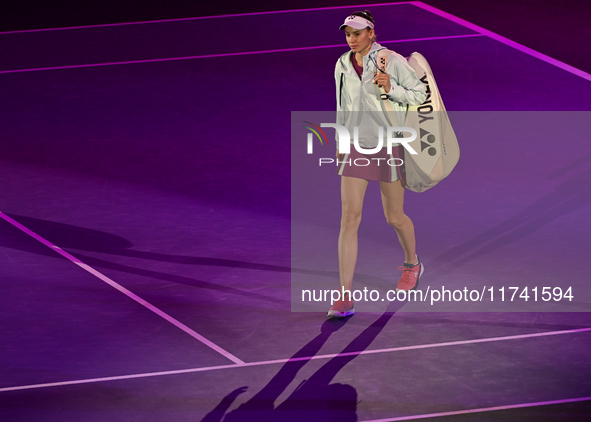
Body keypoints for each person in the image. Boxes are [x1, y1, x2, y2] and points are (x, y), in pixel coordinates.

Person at [327, 10, 427, 318]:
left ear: (372, 32)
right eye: (348, 34)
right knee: (349, 217)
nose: (352, 39)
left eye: (357, 33)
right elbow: (342, 104)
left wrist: (391, 88)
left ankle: (413, 264)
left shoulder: (391, 60)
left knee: (394, 217)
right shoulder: (342, 64)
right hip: (356, 144)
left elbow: (420, 93)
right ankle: (345, 296)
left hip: (388, 144)